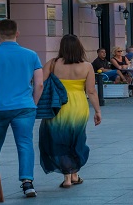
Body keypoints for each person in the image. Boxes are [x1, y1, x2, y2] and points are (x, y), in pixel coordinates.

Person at [0, 19, 43, 198]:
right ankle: (27, 182)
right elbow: (39, 84)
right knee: (25, 143)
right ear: (17, 33)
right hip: (24, 106)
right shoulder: (31, 55)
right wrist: (32, 103)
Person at [39, 34, 101, 187]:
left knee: (58, 139)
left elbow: (40, 84)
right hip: (79, 105)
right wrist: (97, 111)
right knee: (76, 138)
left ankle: (67, 177)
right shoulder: (87, 66)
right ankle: (74, 174)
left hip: (58, 104)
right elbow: (91, 91)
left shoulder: (52, 64)